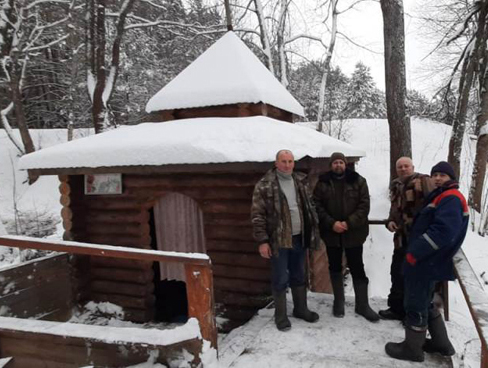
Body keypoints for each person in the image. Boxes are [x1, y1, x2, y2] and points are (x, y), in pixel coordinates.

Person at [385, 161, 469, 362]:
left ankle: (412, 349)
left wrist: (415, 253)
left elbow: (442, 231)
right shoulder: (442, 196)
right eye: (435, 175)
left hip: (426, 261)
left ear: (451, 179)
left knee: (415, 302)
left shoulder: (450, 198)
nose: (438, 178)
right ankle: (441, 343)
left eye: (443, 175)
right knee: (426, 301)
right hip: (431, 260)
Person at [251, 149, 321, 331]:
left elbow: (309, 206)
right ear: (276, 163)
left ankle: (301, 309)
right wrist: (263, 241)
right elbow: (257, 215)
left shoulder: (300, 181)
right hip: (278, 240)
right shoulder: (265, 184)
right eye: (284, 161)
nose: (287, 165)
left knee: (299, 275)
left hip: (300, 237)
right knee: (280, 277)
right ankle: (280, 316)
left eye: (290, 161)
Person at [313, 152, 379, 322]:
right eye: (335, 162)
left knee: (357, 266)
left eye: (341, 162)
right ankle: (339, 301)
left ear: (346, 164)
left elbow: (364, 206)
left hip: (354, 233)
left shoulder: (358, 181)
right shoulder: (323, 183)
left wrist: (349, 223)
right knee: (334, 266)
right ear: (331, 165)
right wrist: (331, 223)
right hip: (331, 233)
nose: (338, 165)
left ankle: (362, 305)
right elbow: (316, 205)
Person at [379, 157, 434, 321]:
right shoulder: (396, 186)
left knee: (415, 278)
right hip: (401, 240)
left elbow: (434, 207)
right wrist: (390, 222)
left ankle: (414, 315)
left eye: (406, 166)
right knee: (397, 273)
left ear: (412, 167)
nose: (403, 169)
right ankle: (396, 309)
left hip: (419, 241)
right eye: (400, 167)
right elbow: (394, 210)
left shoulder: (424, 181)